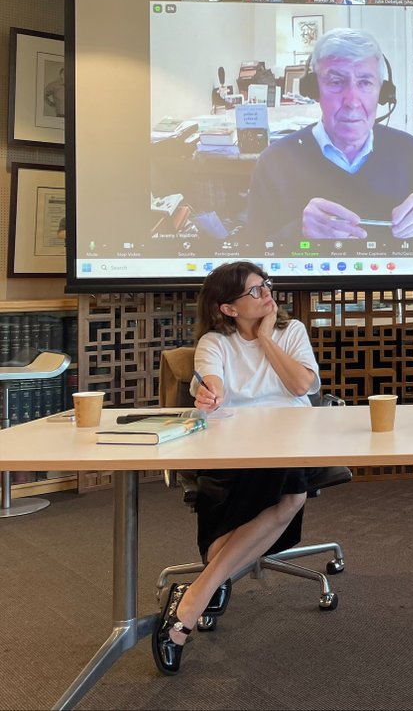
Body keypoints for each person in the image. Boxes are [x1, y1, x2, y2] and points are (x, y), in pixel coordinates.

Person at [153, 261, 322, 675]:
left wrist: (265, 338)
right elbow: (213, 382)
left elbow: (301, 386)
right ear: (228, 308)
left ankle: (192, 598)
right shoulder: (215, 341)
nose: (266, 294)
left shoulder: (291, 332)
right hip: (233, 444)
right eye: (254, 291)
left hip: (288, 439)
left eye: (266, 285)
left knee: (289, 490)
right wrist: (211, 394)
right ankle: (211, 578)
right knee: (230, 541)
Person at [247, 28, 413, 241]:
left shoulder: (410, 153)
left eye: (365, 83)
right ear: (314, 90)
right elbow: (252, 255)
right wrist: (298, 232)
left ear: (382, 91)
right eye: (336, 82)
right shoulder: (275, 161)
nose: (352, 101)